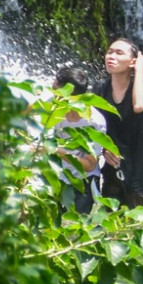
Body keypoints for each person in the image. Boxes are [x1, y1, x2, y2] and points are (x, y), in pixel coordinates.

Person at [94, 36, 143, 208]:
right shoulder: (100, 89)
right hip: (111, 167)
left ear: (132, 62)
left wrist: (139, 72)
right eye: (109, 52)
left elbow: (139, 105)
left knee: (137, 224)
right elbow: (94, 126)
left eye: (119, 53)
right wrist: (104, 148)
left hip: (140, 167)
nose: (111, 56)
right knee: (111, 221)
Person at [51, 64, 107, 215]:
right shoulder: (52, 107)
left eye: (55, 89)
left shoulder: (94, 122)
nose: (52, 91)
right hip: (57, 177)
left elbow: (89, 165)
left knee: (76, 230)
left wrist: (57, 151)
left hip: (83, 182)